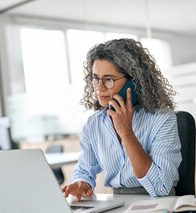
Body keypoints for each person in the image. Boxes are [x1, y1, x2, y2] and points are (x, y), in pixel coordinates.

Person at [62, 38, 182, 201]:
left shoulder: (162, 119)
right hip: (117, 203)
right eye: (96, 78)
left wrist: (126, 132)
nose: (99, 87)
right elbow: (84, 169)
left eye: (109, 79)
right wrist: (81, 182)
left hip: (157, 203)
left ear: (134, 82)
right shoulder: (94, 124)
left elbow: (160, 187)